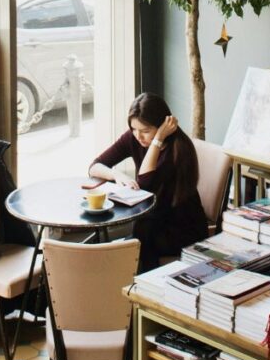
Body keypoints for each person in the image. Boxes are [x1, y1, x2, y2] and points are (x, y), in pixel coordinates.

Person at [89, 92, 208, 272]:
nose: (139, 136)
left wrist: (157, 140)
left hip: (182, 229)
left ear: (162, 126)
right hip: (153, 222)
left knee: (135, 241)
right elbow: (94, 166)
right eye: (134, 129)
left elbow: (145, 185)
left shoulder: (179, 149)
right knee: (126, 242)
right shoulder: (134, 137)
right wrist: (117, 175)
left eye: (146, 131)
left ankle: (143, 289)